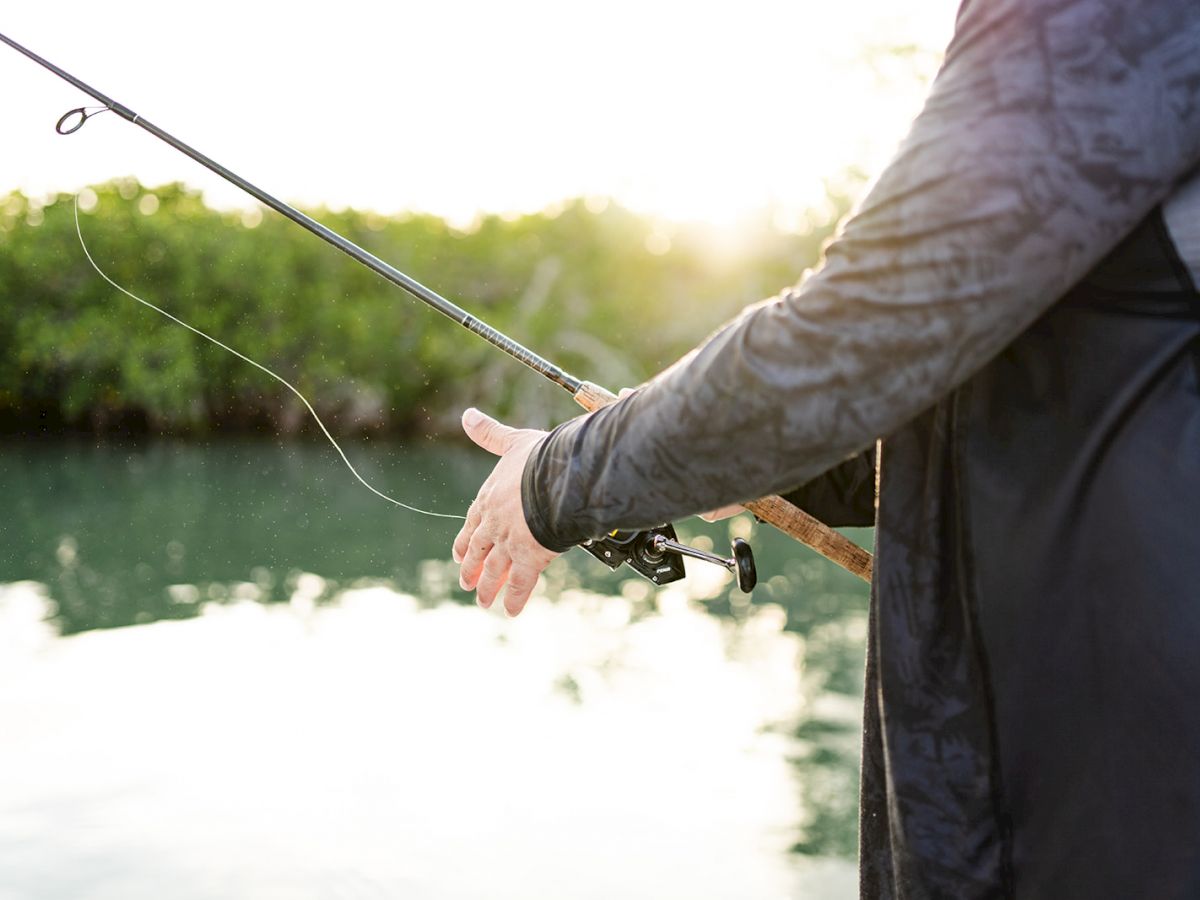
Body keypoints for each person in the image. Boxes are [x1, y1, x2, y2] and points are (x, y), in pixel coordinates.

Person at [452, 1, 1200, 896]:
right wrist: (757, 459)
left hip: (1108, 795)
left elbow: (856, 333)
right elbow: (1025, 395)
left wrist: (558, 480)